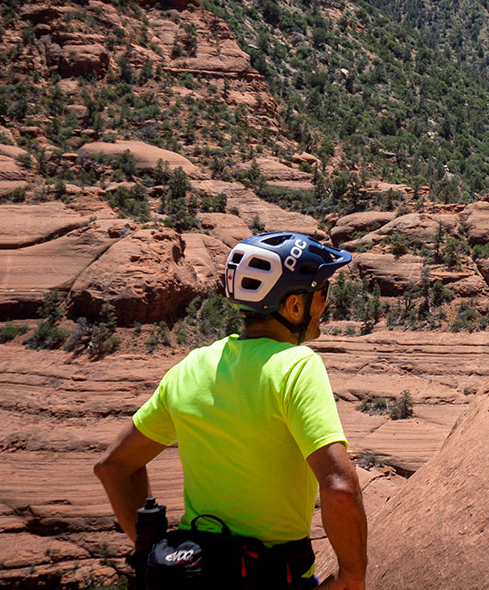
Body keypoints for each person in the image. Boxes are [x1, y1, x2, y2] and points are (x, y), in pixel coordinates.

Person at [93, 232, 368, 590]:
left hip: (191, 573)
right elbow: (340, 488)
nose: (325, 305)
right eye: (322, 294)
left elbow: (113, 466)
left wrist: (153, 554)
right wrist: (352, 576)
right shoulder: (295, 366)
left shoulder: (191, 367)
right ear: (294, 307)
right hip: (272, 577)